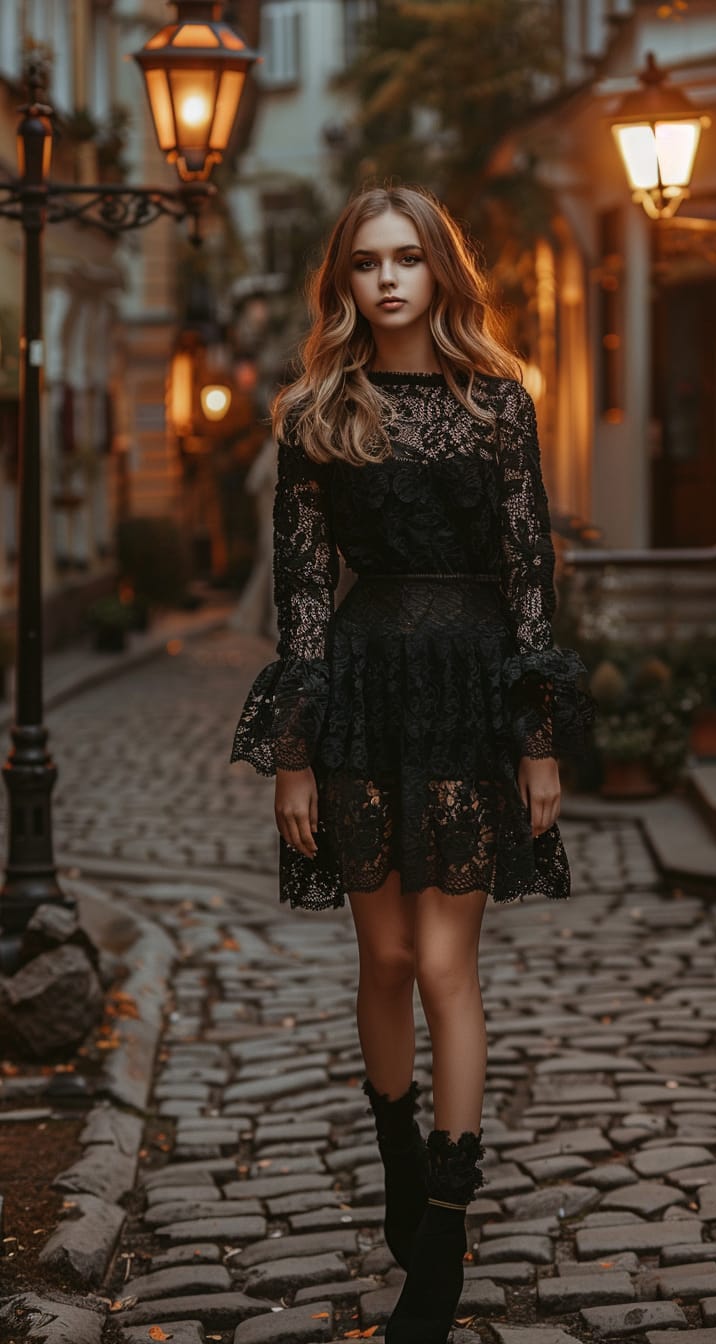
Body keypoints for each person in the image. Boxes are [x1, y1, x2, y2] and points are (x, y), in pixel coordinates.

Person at [230, 183, 595, 1344]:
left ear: (440, 272)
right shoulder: (315, 413)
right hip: (364, 689)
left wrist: (538, 741)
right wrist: (293, 757)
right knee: (382, 954)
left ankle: (441, 1222)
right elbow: (298, 601)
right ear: (342, 282)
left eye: (407, 259)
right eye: (365, 263)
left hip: (470, 690)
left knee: (446, 965)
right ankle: (397, 1153)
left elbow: (532, 572)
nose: (387, 280)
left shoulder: (497, 406)